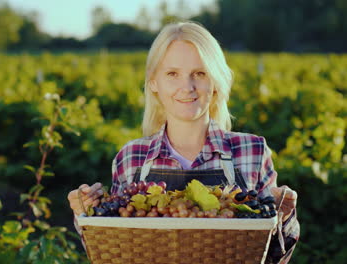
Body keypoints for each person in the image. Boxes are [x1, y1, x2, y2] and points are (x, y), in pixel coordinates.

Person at [67, 21, 299, 263]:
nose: (187, 87)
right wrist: (85, 214)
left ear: (215, 81)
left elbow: (274, 256)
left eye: (199, 73)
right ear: (153, 82)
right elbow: (113, 252)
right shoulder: (131, 158)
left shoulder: (251, 151)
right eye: (172, 74)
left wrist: (283, 216)